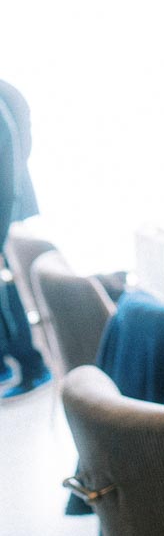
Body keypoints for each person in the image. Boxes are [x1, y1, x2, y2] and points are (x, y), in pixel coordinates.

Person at [0, 79, 52, 400]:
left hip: (5, 207)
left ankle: (32, 366)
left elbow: (6, 173)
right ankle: (6, 361)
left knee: (5, 291)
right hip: (7, 204)